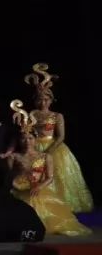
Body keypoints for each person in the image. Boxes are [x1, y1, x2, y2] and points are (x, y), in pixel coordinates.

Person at [9, 102, 89, 236]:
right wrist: (15, 185)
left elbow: (50, 177)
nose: (27, 141)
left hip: (38, 189)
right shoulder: (14, 156)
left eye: (30, 138)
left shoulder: (45, 156)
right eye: (24, 139)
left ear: (35, 140)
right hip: (18, 189)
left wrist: (39, 186)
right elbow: (9, 175)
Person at [26, 65, 93, 213]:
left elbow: (61, 136)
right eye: (40, 99)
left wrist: (49, 151)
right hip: (34, 147)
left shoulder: (57, 116)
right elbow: (26, 132)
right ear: (35, 100)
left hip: (54, 147)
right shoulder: (32, 114)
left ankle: (58, 207)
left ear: (51, 100)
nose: (43, 102)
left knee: (56, 176)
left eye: (46, 99)